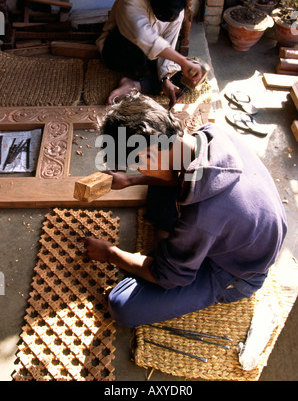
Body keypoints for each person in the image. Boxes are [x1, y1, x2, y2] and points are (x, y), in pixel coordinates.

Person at [84, 92, 287, 328]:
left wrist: (111, 253)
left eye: (136, 163)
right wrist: (131, 181)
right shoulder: (210, 134)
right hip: (246, 230)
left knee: (123, 306)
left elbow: (170, 278)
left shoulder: (202, 214)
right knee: (158, 183)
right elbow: (174, 173)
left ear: (148, 154)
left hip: (236, 272)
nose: (136, 169)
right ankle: (175, 249)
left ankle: (175, 254)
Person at [96, 0, 202, 105]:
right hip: (119, 52)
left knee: (192, 77)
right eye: (165, 15)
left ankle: (136, 84)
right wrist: (183, 62)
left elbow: (169, 43)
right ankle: (144, 78)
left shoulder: (176, 7)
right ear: (153, 0)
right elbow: (143, 37)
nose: (173, 17)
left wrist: (166, 79)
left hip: (149, 57)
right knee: (141, 44)